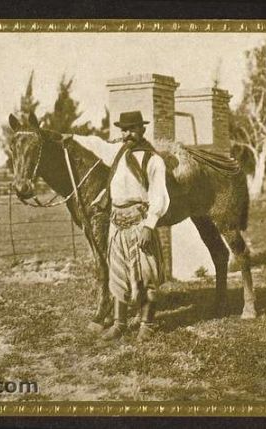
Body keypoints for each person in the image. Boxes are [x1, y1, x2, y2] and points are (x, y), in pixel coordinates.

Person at [102, 111, 170, 341]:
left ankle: (147, 324)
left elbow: (158, 196)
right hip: (117, 222)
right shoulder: (118, 157)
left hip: (139, 222)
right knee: (118, 274)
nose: (127, 134)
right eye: (124, 129)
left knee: (146, 273)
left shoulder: (153, 159)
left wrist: (149, 226)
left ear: (142, 130)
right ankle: (120, 324)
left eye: (132, 129)